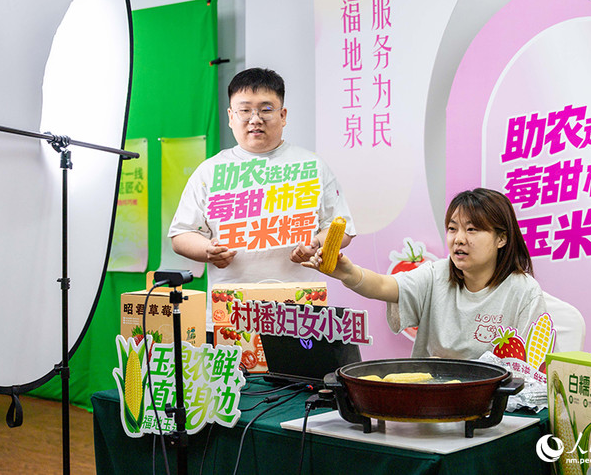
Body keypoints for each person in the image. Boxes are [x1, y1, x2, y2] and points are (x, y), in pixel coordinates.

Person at [169, 67, 356, 342]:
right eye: (245, 110)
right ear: (230, 116)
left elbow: (343, 229)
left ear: (283, 115)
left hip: (300, 314)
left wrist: (316, 243)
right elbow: (181, 234)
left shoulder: (312, 166)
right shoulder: (209, 171)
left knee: (298, 371)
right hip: (229, 314)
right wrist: (208, 250)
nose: (255, 119)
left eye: (266, 109)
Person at [303, 188, 545, 360]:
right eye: (452, 228)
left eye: (472, 230)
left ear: (501, 238)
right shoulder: (436, 273)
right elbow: (384, 286)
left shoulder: (524, 291)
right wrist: (348, 272)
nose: (459, 239)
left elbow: (530, 369)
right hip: (430, 393)